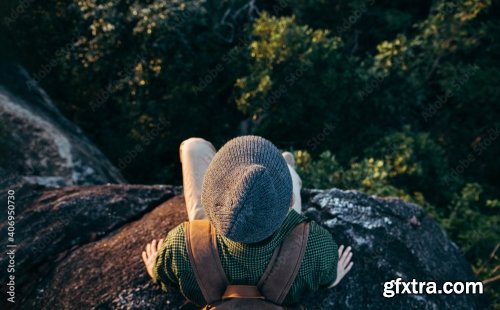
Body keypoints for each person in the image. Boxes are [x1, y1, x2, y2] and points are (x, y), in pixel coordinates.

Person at [142, 136, 353, 308]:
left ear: (208, 199)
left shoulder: (181, 245)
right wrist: (334, 278)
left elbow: (162, 274)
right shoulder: (314, 244)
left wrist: (154, 269)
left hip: (207, 242)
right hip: (283, 241)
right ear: (291, 203)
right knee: (286, 173)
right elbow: (328, 277)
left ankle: (284, 168)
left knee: (192, 147)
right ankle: (288, 169)